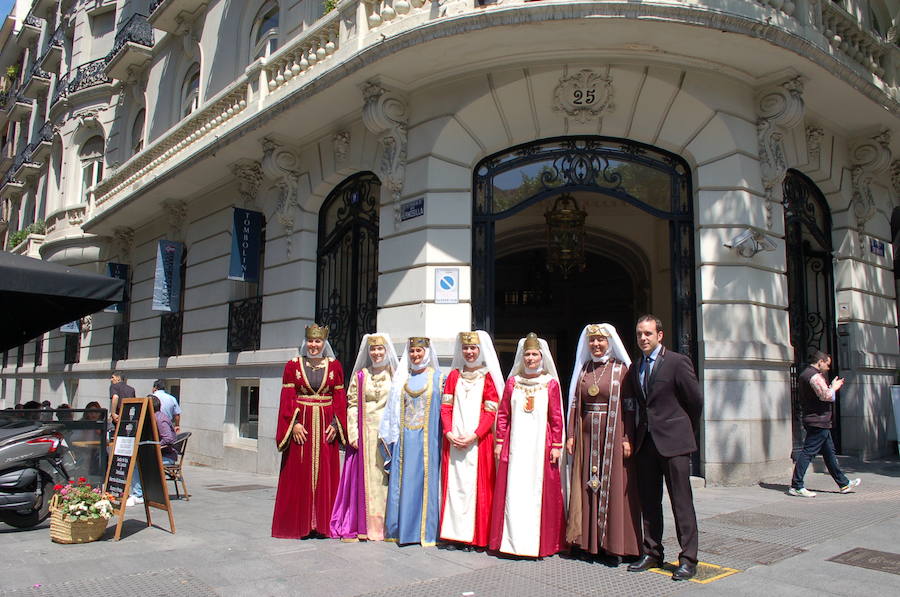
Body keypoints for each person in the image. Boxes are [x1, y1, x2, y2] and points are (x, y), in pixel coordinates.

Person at [626, 315, 703, 581]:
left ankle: (688, 558)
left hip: (674, 443)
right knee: (649, 501)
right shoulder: (635, 368)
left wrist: (683, 431)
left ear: (660, 335)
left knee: (681, 502)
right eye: (639, 334)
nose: (643, 338)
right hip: (646, 443)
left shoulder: (677, 362)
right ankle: (652, 552)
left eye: (648, 333)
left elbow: (695, 401)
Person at [565, 324, 641, 562]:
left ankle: (613, 545)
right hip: (587, 439)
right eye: (592, 341)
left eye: (601, 340)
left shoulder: (621, 370)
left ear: (611, 342)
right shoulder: (585, 368)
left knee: (614, 488)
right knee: (587, 486)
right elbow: (576, 402)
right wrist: (571, 434)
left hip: (613, 435)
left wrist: (628, 437)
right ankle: (588, 543)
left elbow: (630, 408)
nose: (596, 345)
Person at [489, 332, 565, 558]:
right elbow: (503, 414)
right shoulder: (513, 383)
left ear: (542, 357)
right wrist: (499, 441)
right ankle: (512, 542)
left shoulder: (550, 384)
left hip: (540, 448)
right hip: (515, 447)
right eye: (527, 355)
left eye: (534, 354)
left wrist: (556, 445)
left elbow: (556, 417)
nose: (530, 359)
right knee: (515, 491)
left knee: (537, 492)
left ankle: (539, 544)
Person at [272, 324, 347, 539]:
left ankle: (323, 525)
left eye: (318, 342)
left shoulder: (335, 367)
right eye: (311, 341)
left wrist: (335, 423)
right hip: (301, 426)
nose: (314, 346)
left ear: (324, 344)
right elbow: (288, 398)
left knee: (326, 472)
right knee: (299, 472)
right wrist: (293, 424)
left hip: (325, 427)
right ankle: (298, 524)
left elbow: (339, 399)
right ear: (306, 342)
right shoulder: (292, 366)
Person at [331, 333, 399, 541]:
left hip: (387, 434)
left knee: (384, 477)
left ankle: (385, 525)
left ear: (387, 351)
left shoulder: (395, 375)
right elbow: (352, 404)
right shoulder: (361, 375)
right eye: (373, 349)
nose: (377, 353)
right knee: (365, 478)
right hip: (365, 433)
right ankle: (364, 523)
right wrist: (353, 432)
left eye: (380, 349)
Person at [439, 331, 503, 550]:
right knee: (454, 488)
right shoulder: (454, 376)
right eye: (465, 348)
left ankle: (475, 537)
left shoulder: (488, 378)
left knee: (477, 488)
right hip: (454, 440)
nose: (469, 352)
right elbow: (446, 407)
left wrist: (475, 434)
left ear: (480, 350)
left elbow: (490, 411)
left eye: (473, 348)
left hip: (479, 441)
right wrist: (448, 432)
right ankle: (453, 535)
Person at [379, 337, 444, 546]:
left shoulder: (438, 379)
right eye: (413, 351)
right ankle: (404, 531)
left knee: (425, 482)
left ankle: (425, 531)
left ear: (427, 352)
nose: (416, 355)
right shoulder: (402, 379)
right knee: (405, 483)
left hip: (428, 440)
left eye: (419, 351)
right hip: (405, 441)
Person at [789, 351, 860, 498]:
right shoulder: (813, 376)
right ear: (820, 361)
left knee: (829, 453)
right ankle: (796, 485)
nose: (828, 367)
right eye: (827, 364)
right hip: (818, 420)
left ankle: (843, 483)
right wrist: (835, 386)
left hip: (818, 420)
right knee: (808, 452)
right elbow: (826, 396)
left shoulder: (806, 374)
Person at [128, 396, 179, 507]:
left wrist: (153, 446)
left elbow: (169, 438)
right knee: (135, 461)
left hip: (166, 456)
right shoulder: (151, 417)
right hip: (156, 454)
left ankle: (138, 494)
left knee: (137, 464)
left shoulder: (160, 419)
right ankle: (139, 492)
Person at [109, 370, 136, 435]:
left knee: (114, 436)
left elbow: (115, 397)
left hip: (117, 417)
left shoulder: (114, 386)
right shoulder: (131, 389)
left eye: (113, 377)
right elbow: (134, 403)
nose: (111, 380)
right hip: (127, 418)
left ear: (118, 378)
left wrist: (113, 413)